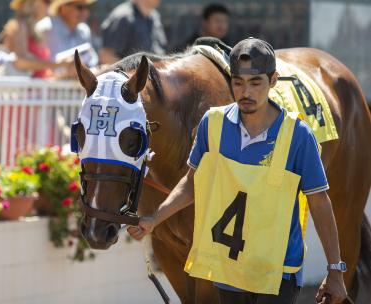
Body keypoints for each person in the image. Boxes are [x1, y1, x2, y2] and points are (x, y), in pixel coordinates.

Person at [128, 38, 348, 304]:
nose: (246, 92)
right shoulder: (212, 123)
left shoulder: (298, 134)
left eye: (256, 83)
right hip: (228, 271)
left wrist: (335, 270)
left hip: (277, 273)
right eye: (238, 82)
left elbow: (319, 202)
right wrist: (154, 219)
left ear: (273, 80)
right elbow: (191, 183)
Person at [3, 0, 72, 78]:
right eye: (47, 2)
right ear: (31, 3)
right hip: (26, 89)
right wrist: (57, 64)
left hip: (40, 88)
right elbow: (19, 61)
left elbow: (43, 73)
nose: (50, 6)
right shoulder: (19, 26)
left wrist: (67, 72)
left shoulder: (37, 29)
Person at [99, 0, 167, 64]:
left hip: (156, 73)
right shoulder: (123, 17)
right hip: (134, 75)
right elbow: (106, 56)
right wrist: (134, 71)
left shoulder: (154, 16)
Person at [35, 0, 98, 68]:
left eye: (87, 7)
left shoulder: (84, 30)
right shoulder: (46, 28)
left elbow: (92, 60)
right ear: (64, 8)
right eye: (80, 7)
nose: (85, 12)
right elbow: (39, 63)